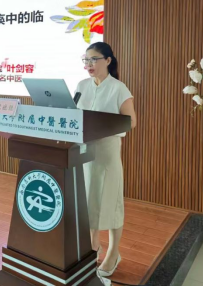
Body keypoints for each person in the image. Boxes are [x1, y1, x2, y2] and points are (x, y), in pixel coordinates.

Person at [75, 42, 137, 278]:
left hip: (107, 151)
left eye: (94, 59)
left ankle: (113, 252)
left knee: (111, 202)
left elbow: (131, 122)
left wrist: (103, 125)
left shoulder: (119, 88)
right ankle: (93, 245)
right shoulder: (81, 86)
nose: (89, 64)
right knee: (88, 199)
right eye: (86, 60)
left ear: (108, 61)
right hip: (84, 150)